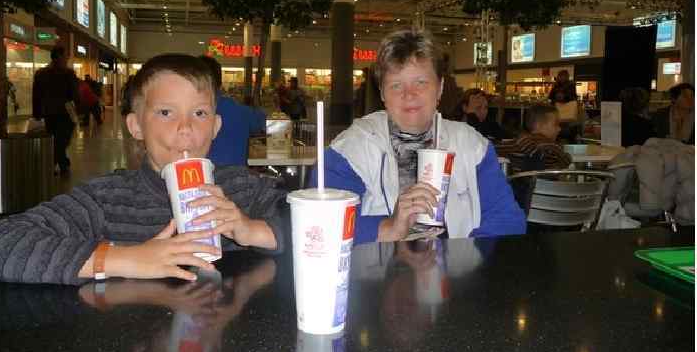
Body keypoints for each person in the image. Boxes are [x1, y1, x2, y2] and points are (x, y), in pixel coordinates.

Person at [0, 53, 285, 285]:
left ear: (215, 127)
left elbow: (308, 222)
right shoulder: (106, 199)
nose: (185, 128)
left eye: (200, 113)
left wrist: (251, 229)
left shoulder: (240, 189)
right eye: (166, 112)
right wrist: (127, 258)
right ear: (136, 126)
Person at [312, 29, 525, 244]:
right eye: (396, 85)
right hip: (377, 262)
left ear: (440, 88)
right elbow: (321, 222)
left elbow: (506, 220)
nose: (409, 94)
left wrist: (463, 258)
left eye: (421, 82)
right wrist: (389, 227)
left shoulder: (472, 145)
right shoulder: (350, 149)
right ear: (382, 93)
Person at [200, 55, 266, 166]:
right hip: (237, 175)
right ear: (220, 83)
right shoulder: (240, 110)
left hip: (200, 175)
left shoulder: (190, 113)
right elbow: (264, 122)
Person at [32, 47, 79, 176]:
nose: (67, 58)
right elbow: (74, 94)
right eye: (65, 56)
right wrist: (78, 109)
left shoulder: (40, 73)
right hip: (64, 112)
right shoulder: (68, 73)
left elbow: (36, 95)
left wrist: (37, 113)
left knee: (56, 140)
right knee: (62, 140)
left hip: (48, 113)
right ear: (58, 57)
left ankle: (59, 164)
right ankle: (59, 164)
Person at [497, 104, 572, 170]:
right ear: (538, 125)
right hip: (546, 181)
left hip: (518, 180)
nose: (559, 129)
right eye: (556, 124)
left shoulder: (516, 143)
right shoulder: (553, 147)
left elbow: (496, 149)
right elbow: (566, 161)